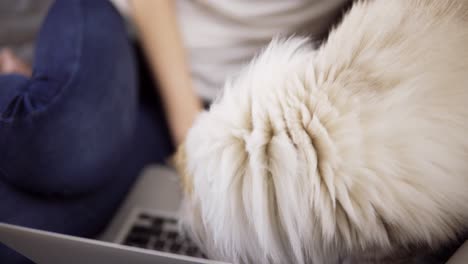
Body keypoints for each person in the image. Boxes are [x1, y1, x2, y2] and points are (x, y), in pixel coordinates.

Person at [0, 0, 350, 263]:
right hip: (126, 36)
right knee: (57, 136)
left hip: (218, 106)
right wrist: (191, 134)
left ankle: (42, 95)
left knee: (15, 232)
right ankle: (40, 98)